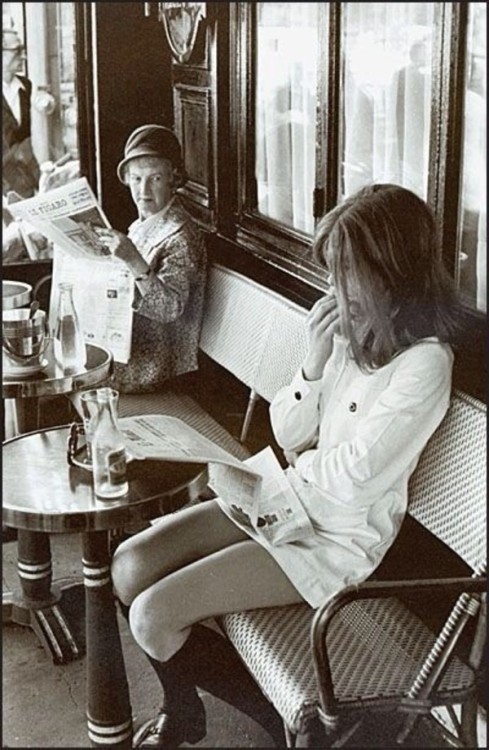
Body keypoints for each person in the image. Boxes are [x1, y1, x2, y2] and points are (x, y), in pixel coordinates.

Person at [110, 184, 468, 748]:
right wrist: (314, 362)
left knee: (153, 616)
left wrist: (294, 471)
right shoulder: (354, 337)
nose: (334, 289)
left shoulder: (424, 364)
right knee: (128, 566)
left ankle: (285, 724)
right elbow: (288, 433)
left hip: (332, 543)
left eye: (345, 274)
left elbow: (353, 484)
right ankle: (185, 713)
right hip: (284, 500)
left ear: (392, 272)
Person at [83, 124, 207, 397]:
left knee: (69, 379)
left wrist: (131, 258)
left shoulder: (180, 236)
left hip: (154, 368)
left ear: (174, 179)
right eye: (137, 179)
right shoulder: (146, 223)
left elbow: (169, 309)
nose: (144, 191)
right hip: (127, 348)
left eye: (156, 179)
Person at [2, 28, 40, 198]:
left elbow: (26, 139)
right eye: (17, 50)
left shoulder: (26, 87)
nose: (23, 56)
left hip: (23, 184)